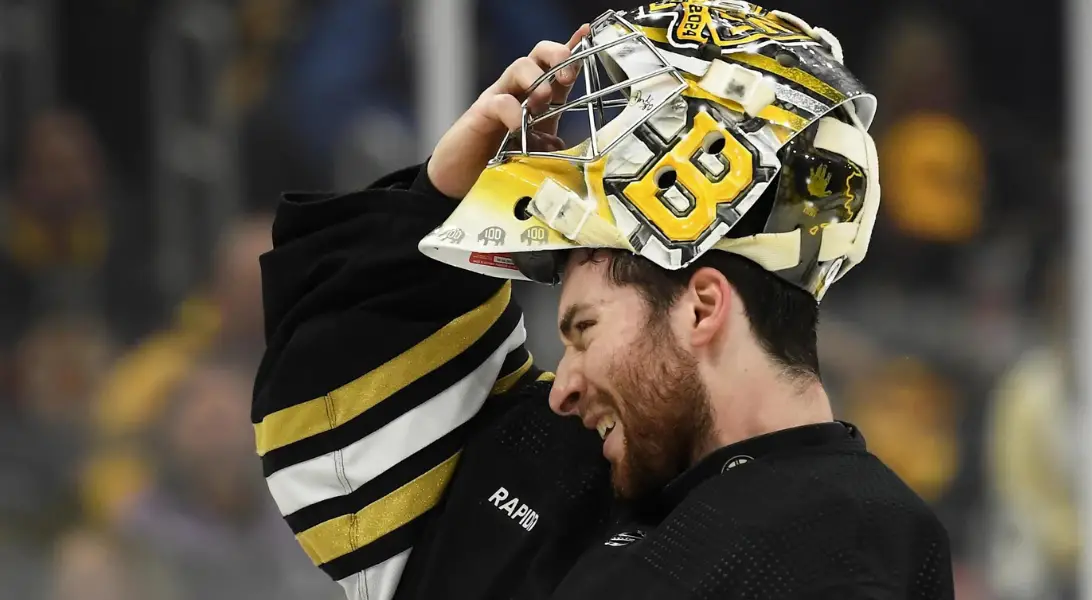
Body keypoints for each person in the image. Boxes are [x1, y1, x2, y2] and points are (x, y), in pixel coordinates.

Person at [252, 3, 953, 599]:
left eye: (583, 330)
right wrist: (432, 201)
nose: (564, 386)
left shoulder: (853, 535)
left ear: (702, 308)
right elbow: (332, 443)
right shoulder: (578, 468)